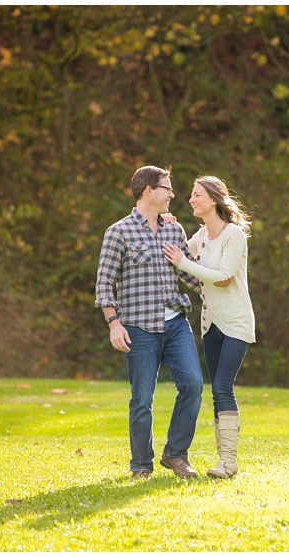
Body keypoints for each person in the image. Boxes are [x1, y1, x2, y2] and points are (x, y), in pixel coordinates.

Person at [95, 165, 206, 479]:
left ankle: (176, 455)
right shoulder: (119, 232)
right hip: (139, 327)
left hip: (176, 323)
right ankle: (141, 465)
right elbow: (104, 283)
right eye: (167, 188)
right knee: (142, 398)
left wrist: (221, 285)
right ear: (148, 190)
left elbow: (188, 272)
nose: (173, 194)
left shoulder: (174, 229)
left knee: (194, 385)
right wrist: (114, 324)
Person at [161, 176, 256, 479]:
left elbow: (224, 277)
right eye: (190, 195)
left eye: (197, 195)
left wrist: (182, 262)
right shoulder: (200, 236)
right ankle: (224, 462)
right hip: (210, 323)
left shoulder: (234, 235)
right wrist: (168, 225)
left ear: (214, 200)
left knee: (222, 387)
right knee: (217, 391)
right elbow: (179, 252)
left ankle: (228, 462)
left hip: (236, 322)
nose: (191, 199)